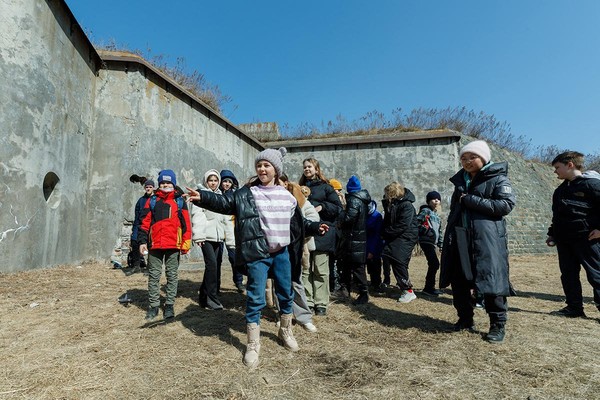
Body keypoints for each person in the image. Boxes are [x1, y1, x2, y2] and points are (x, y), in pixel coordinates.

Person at [186, 148, 328, 368]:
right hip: (258, 253)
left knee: (285, 293)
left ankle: (285, 331)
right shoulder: (247, 193)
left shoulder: (287, 196)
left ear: (276, 170)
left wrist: (316, 226)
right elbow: (225, 203)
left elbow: (298, 223)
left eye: (267, 165)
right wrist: (203, 197)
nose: (262, 169)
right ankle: (253, 344)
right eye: (259, 165)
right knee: (255, 297)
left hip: (282, 253)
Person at [440, 140, 516, 343]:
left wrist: (471, 200)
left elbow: (505, 205)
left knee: (491, 281)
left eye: (472, 157)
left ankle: (497, 325)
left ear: (484, 157)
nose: (467, 161)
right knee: (459, 281)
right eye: (463, 158)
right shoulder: (460, 182)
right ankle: (465, 319)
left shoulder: (498, 179)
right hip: (460, 238)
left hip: (487, 240)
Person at [546, 151, 600, 318]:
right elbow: (558, 215)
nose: (555, 171)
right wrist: (552, 234)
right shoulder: (560, 191)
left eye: (557, 167)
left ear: (570, 165)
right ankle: (574, 308)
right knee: (568, 275)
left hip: (587, 239)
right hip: (564, 240)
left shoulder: (592, 185)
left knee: (596, 275)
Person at [138, 169, 192, 320]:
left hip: (173, 245)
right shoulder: (152, 200)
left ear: (173, 184)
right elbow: (144, 222)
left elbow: (186, 223)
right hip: (154, 245)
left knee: (172, 275)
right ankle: (154, 306)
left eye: (168, 182)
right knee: (154, 276)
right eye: (162, 182)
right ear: (159, 184)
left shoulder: (179, 201)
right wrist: (142, 242)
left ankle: (169, 305)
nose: (165, 185)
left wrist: (186, 243)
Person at [299, 158, 343, 316]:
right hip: (305, 233)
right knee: (305, 269)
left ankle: (321, 303)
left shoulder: (326, 187)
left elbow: (338, 208)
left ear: (316, 169)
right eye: (304, 167)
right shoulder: (298, 188)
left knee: (320, 269)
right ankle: (308, 301)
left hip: (322, 232)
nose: (307, 169)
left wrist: (322, 206)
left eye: (309, 166)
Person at [194, 169, 230, 310]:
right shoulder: (201, 195)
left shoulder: (221, 196)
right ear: (206, 182)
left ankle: (203, 297)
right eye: (210, 180)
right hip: (206, 237)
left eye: (215, 180)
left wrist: (228, 238)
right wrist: (199, 235)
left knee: (214, 267)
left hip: (218, 237)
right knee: (212, 266)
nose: (213, 183)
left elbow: (225, 218)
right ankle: (212, 299)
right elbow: (197, 215)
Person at [381, 182, 419, 303]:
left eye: (387, 194)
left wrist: (387, 232)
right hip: (398, 236)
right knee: (394, 259)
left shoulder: (406, 205)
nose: (385, 196)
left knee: (398, 260)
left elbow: (403, 224)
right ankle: (403, 286)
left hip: (406, 237)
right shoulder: (393, 205)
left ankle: (408, 290)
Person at [338, 175, 372, 305]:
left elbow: (348, 219)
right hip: (358, 237)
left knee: (357, 268)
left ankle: (363, 294)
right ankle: (345, 290)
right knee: (350, 265)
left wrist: (341, 213)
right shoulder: (362, 200)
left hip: (353, 239)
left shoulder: (354, 200)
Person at [219, 169, 245, 293]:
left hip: (231, 229)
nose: (226, 184)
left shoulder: (236, 194)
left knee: (234, 258)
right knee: (216, 260)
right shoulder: (217, 194)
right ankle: (216, 283)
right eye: (224, 182)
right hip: (218, 229)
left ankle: (238, 281)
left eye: (229, 182)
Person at [417, 191, 444, 296]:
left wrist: (440, 245)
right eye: (433, 199)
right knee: (434, 263)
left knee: (434, 264)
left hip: (433, 242)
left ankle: (430, 287)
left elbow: (440, 232)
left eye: (438, 199)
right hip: (426, 240)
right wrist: (423, 229)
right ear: (428, 201)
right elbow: (416, 221)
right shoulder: (425, 211)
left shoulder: (437, 216)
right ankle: (428, 288)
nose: (436, 200)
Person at [128, 179, 154, 273]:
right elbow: (137, 215)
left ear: (153, 188)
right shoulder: (141, 200)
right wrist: (134, 229)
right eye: (147, 187)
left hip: (151, 226)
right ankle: (136, 266)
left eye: (150, 187)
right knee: (134, 241)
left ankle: (150, 268)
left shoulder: (155, 200)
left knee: (151, 245)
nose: (148, 189)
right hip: (139, 225)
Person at [366, 200, 384, 293]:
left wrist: (372, 250)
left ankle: (376, 284)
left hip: (374, 245)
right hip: (363, 244)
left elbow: (377, 235)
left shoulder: (377, 216)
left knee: (375, 266)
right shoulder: (363, 214)